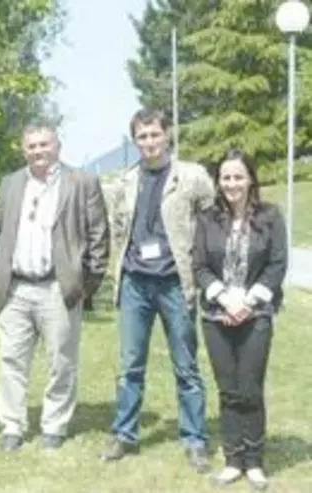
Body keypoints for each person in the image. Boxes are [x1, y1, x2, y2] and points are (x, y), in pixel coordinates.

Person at [0, 122, 110, 452]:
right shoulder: (11, 183)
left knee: (61, 361)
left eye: (44, 144)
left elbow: (99, 236)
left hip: (59, 287)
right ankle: (12, 425)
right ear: (23, 150)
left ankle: (54, 424)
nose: (38, 151)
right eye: (32, 146)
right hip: (16, 288)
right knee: (11, 360)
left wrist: (86, 284)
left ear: (57, 145)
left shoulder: (82, 182)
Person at [101, 108, 215, 472]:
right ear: (135, 140)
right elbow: (118, 226)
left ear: (167, 135)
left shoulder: (192, 176)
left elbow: (212, 224)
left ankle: (195, 439)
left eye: (154, 134)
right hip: (136, 282)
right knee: (130, 365)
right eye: (142, 136)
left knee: (186, 367)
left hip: (175, 284)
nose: (149, 142)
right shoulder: (127, 179)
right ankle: (124, 434)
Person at [193, 150, 287, 491]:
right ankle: (233, 460)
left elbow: (277, 265)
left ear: (250, 179)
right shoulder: (206, 219)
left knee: (250, 388)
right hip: (216, 315)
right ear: (219, 182)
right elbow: (200, 266)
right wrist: (224, 297)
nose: (232, 183)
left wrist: (247, 300)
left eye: (238, 176)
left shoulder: (270, 216)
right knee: (228, 389)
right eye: (226, 177)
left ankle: (254, 460)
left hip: (256, 313)